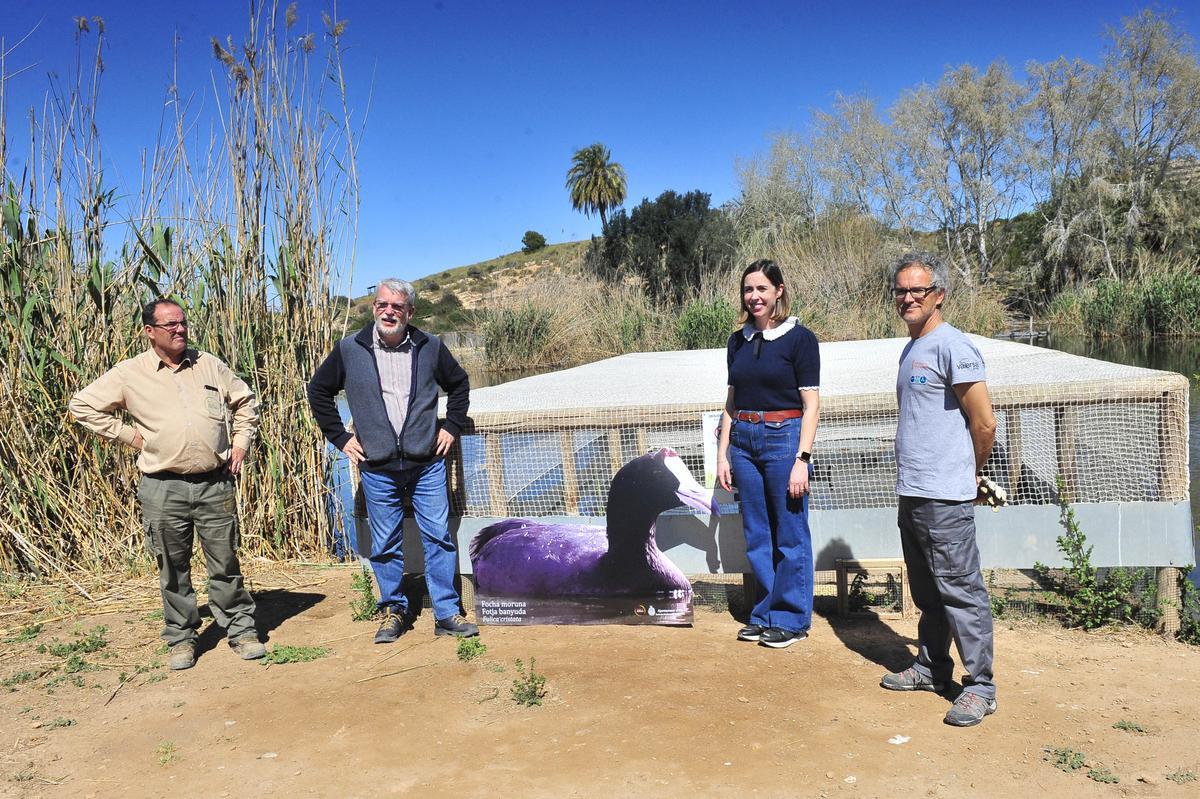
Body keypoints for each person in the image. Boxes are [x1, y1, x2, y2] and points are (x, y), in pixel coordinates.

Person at [70, 299, 264, 670]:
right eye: (170, 325)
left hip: (215, 483)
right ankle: (182, 638)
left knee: (225, 561)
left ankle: (241, 630)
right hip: (162, 487)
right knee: (173, 568)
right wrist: (129, 436)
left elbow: (245, 403)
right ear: (149, 331)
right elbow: (83, 406)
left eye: (183, 323)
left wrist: (240, 443)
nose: (179, 329)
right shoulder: (129, 373)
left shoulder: (209, 364)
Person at [307, 278, 478, 643]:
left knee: (439, 538)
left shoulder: (430, 347)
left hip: (427, 462)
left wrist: (452, 427)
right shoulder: (350, 349)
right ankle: (393, 611)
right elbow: (319, 391)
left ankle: (447, 612)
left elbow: (459, 384)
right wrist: (340, 437)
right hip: (377, 467)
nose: (389, 312)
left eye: (397, 307)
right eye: (382, 304)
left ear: (409, 312)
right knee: (384, 543)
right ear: (373, 308)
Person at [880, 250, 998, 727]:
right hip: (913, 492)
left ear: (939, 296)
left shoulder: (954, 346)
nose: (909, 297)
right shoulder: (912, 348)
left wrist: (970, 475)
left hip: (946, 495)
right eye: (902, 290)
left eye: (918, 290)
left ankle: (981, 687)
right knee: (929, 592)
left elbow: (984, 422)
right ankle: (931, 666)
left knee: (962, 592)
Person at [716, 259, 820, 649]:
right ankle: (764, 614)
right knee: (757, 533)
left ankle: (792, 619)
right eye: (748, 289)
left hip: (784, 439)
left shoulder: (800, 339)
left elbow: (811, 406)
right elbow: (731, 402)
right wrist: (723, 455)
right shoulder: (736, 341)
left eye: (762, 288)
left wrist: (802, 459)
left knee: (790, 533)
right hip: (743, 441)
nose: (754, 296)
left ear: (778, 291)